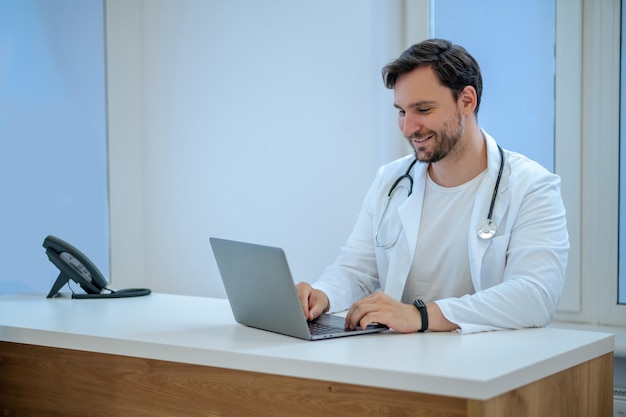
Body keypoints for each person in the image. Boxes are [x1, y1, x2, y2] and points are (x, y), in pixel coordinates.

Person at [295, 39, 569, 334]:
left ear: (467, 101)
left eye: (423, 110)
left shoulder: (532, 187)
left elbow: (535, 296)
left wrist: (421, 315)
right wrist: (322, 295)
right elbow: (355, 270)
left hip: (486, 366)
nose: (408, 127)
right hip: (401, 363)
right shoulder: (391, 181)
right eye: (401, 111)